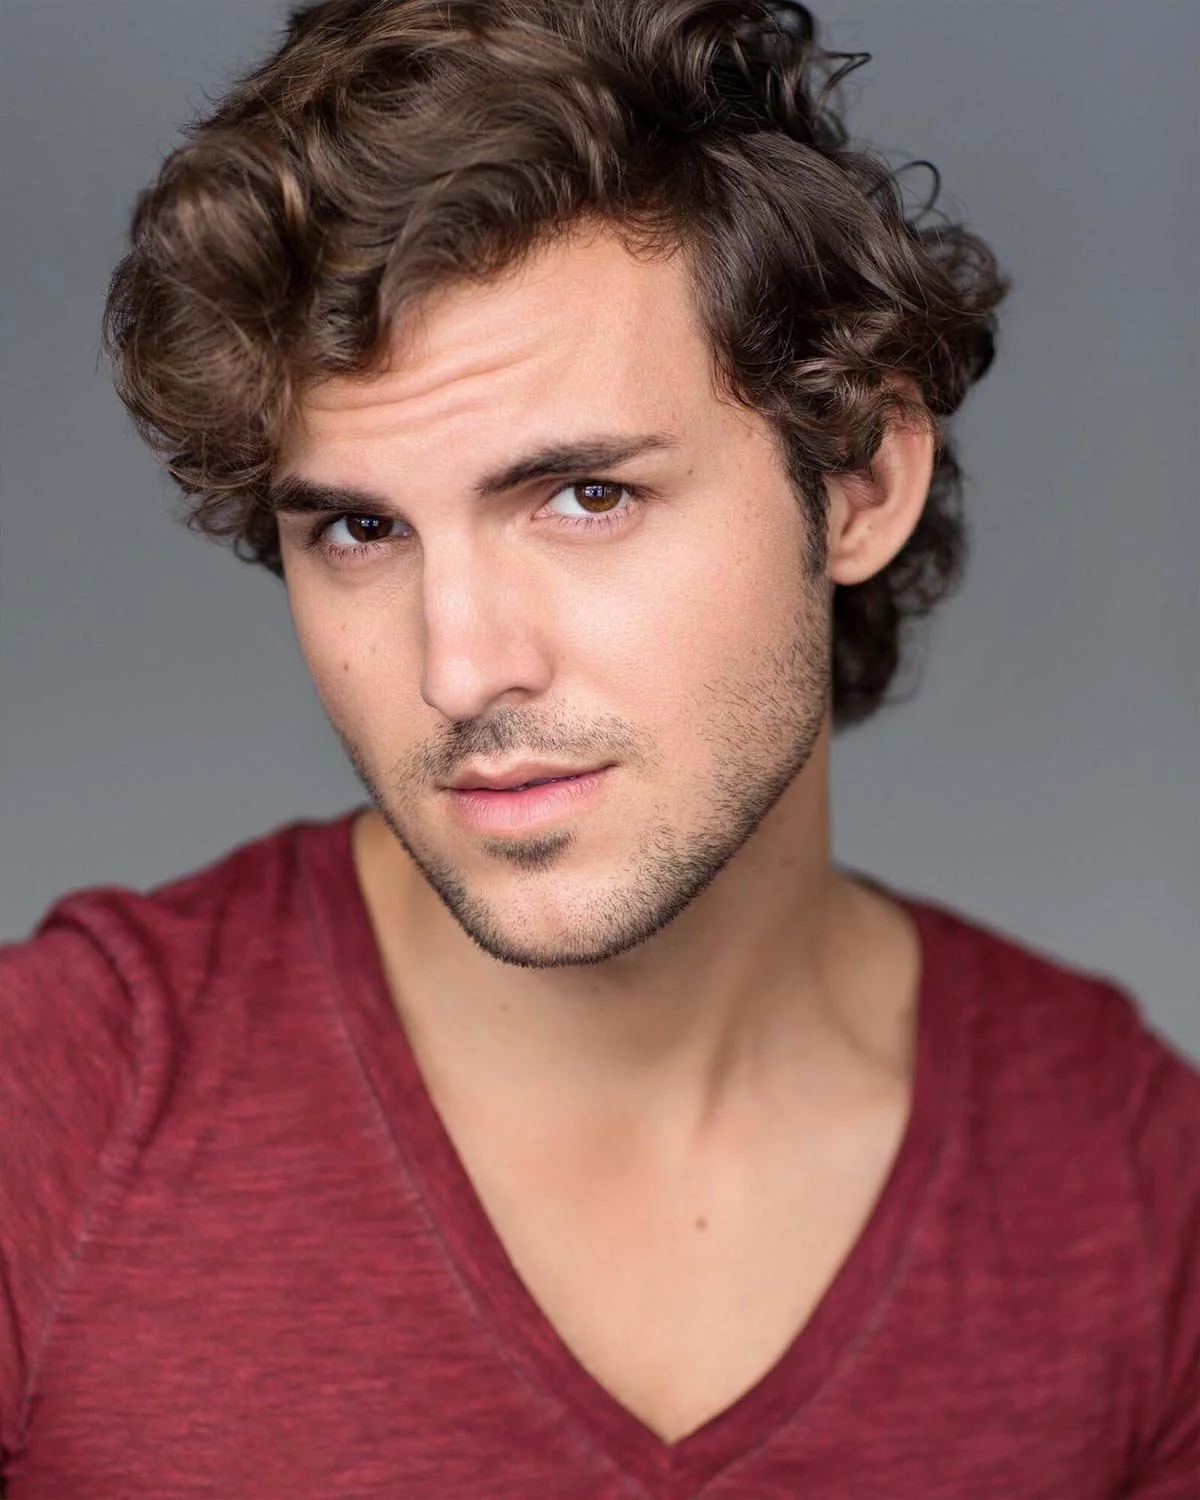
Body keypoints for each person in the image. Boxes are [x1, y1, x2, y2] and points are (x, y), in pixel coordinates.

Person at [1, 0, 1195, 1493]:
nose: (460, 668)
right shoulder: (53, 1101)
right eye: (362, 529)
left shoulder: (1131, 1180)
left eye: (585, 498)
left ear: (864, 483)